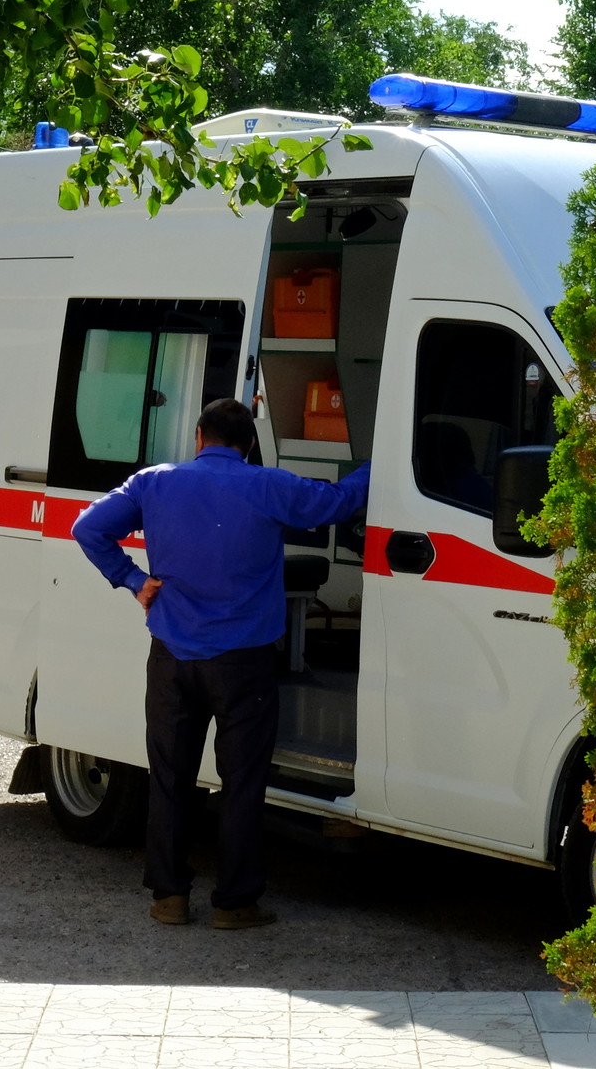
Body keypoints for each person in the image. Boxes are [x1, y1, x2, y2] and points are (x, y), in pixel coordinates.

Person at [71, 397, 371, 930]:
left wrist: (135, 580)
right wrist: (382, 463)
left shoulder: (154, 482)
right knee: (242, 782)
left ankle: (169, 897)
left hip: (171, 656)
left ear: (198, 436)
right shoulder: (268, 486)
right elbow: (338, 503)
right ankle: (234, 904)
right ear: (248, 445)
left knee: (170, 778)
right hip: (244, 662)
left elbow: (87, 528)